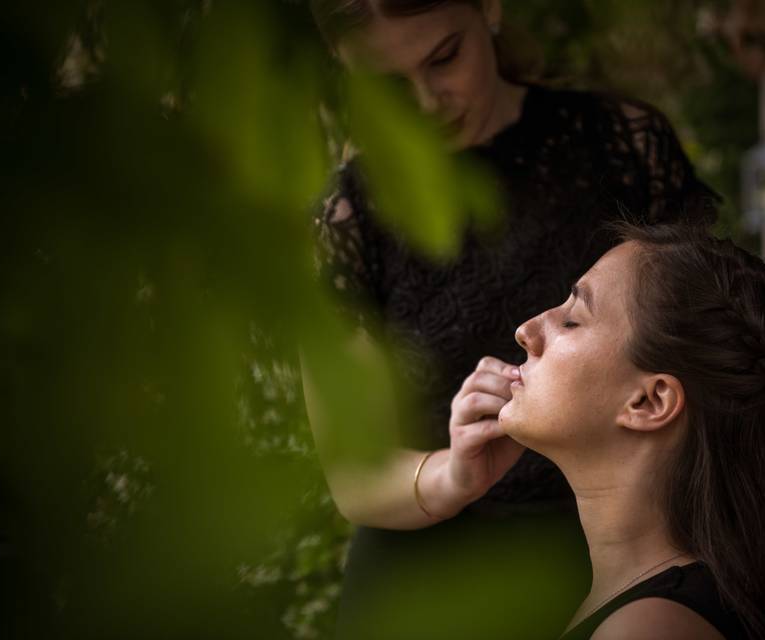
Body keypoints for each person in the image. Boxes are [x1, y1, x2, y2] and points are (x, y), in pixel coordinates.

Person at [307, 1, 720, 637]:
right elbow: (355, 472)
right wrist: (451, 474)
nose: (426, 103)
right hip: (422, 582)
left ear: (490, 9)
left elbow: (710, 361)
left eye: (444, 58)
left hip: (621, 559)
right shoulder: (348, 222)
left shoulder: (623, 147)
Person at [497, 222, 765, 640]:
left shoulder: (648, 629)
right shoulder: (647, 605)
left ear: (649, 402)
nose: (526, 332)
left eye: (571, 320)